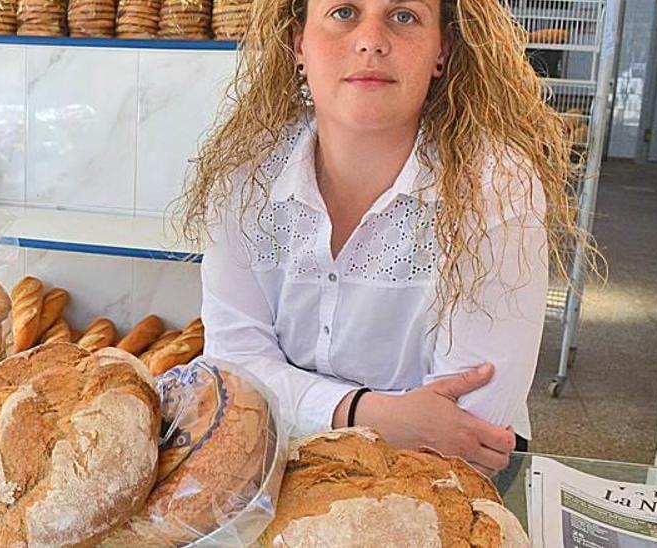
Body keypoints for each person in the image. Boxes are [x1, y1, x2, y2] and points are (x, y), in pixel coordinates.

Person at [179, 0, 590, 476]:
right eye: (343, 13)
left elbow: (469, 425)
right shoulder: (246, 175)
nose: (371, 40)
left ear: (443, 49)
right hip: (282, 467)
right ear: (299, 45)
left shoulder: (495, 185)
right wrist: (371, 415)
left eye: (403, 16)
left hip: (446, 475)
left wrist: (297, 407)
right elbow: (236, 371)